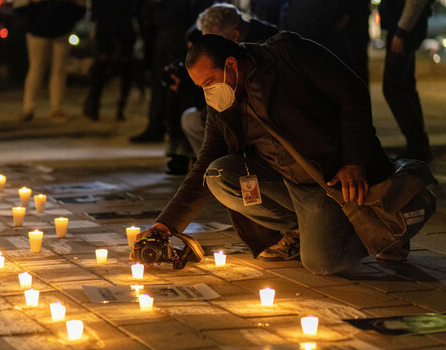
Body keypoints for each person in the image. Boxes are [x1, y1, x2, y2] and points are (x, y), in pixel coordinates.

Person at [137, 33, 395, 274]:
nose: (208, 93)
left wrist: (354, 162)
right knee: (217, 174)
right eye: (201, 87)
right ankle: (302, 229)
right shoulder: (222, 105)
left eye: (209, 83)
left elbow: (351, 91)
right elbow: (206, 161)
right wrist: (166, 225)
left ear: (231, 64)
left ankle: (389, 228)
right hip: (287, 183)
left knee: (322, 262)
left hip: (329, 175)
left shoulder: (286, 54)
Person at [130, 0, 215, 143]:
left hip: (161, 31)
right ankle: (179, 132)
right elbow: (207, 2)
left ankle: (156, 126)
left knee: (162, 80)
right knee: (185, 81)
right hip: (186, 33)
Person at [181, 3, 278, 156]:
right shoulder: (257, 35)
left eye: (212, 42)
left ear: (234, 36)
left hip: (262, 137)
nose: (207, 49)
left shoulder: (255, 57)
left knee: (193, 121)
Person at [379, 0, 444, 163]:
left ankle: (418, 145)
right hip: (404, 28)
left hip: (404, 30)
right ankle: (418, 145)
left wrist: (402, 31)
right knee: (405, 85)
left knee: (393, 87)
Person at [14, 0, 86, 123]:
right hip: (38, 31)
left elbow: (80, 3)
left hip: (62, 31)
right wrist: (33, 19)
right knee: (36, 69)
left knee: (59, 70)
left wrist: (68, 20)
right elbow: (21, 1)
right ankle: (28, 108)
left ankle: (57, 109)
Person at [83, 0, 150, 122]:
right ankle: (94, 101)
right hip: (107, 21)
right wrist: (96, 18)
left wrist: (141, 20)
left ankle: (121, 105)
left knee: (126, 63)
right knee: (102, 61)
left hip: (129, 22)